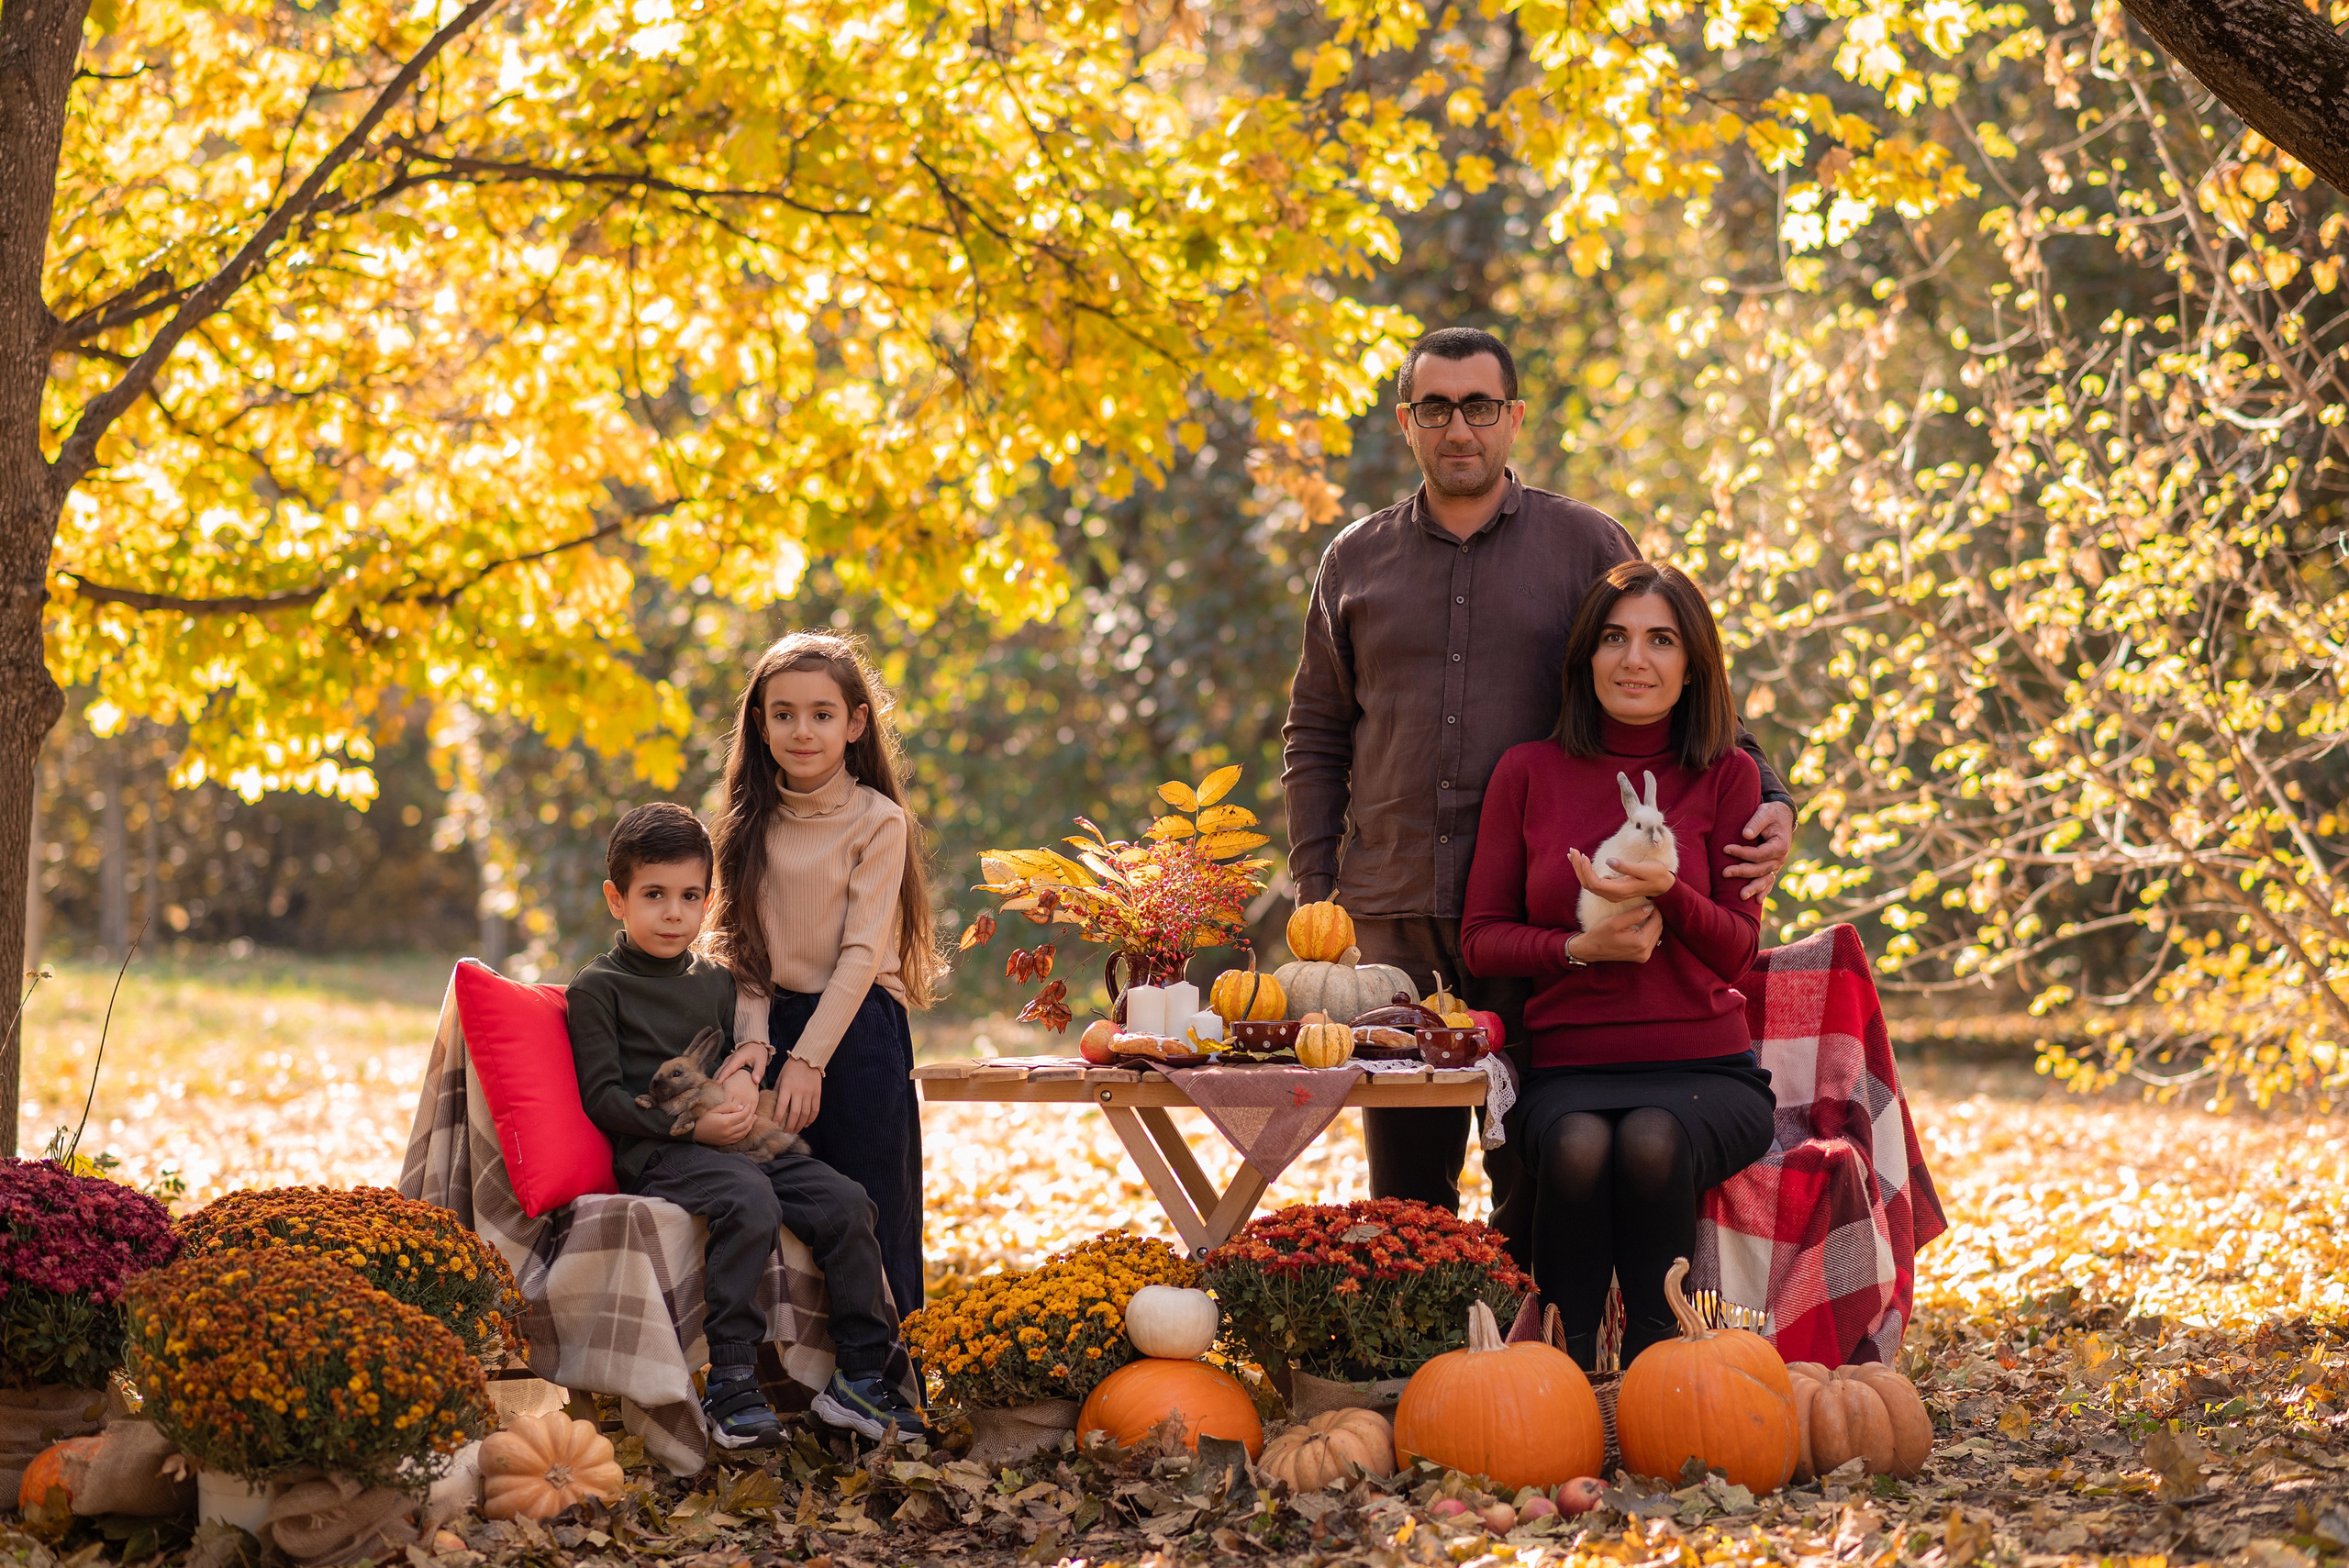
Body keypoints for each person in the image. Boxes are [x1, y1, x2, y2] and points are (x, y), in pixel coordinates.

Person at [1281, 325, 1795, 1237]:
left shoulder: (1584, 542)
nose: (1459, 428)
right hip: (1392, 916)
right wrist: (1319, 894)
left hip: (1539, 914)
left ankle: (1534, 1327)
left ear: (1513, 417)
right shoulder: (1353, 560)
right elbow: (1317, 733)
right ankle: (1425, 1330)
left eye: (1480, 406)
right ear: (1406, 420)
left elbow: (1679, 679)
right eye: (1436, 407)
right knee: (1408, 1194)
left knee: (1540, 1181)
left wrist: (1775, 796)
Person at [1460, 561, 1775, 1369]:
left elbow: (1738, 950)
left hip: (1705, 1069)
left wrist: (1669, 891)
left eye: (1661, 640)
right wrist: (1577, 949)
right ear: (1586, 657)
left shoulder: (1729, 775)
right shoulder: (1527, 772)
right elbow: (1481, 937)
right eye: (1614, 637)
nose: (1635, 659)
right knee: (1575, 1144)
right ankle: (1561, 1373)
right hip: (1571, 1068)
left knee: (1651, 1137)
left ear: (1692, 664)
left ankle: (1656, 1366)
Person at [566, 802, 925, 1446]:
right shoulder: (598, 988)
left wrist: (738, 1084)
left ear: (708, 902)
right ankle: (732, 1380)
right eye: (653, 894)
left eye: (689, 896)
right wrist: (689, 1131)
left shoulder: (717, 980)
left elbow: (738, 1054)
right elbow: (602, 1099)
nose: (673, 913)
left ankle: (860, 1376)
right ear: (617, 899)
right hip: (661, 1153)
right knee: (748, 1197)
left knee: (847, 1201)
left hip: (740, 1140)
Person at [707, 631, 941, 1323]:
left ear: (855, 723)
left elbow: (862, 954)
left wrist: (808, 1059)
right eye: (784, 714)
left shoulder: (879, 821)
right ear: (761, 724)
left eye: (821, 714)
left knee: (873, 1208)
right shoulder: (747, 824)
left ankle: (888, 1371)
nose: (802, 731)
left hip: (858, 1029)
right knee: (793, 1208)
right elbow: (746, 951)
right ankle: (797, 1371)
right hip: (772, 1025)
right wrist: (754, 1046)